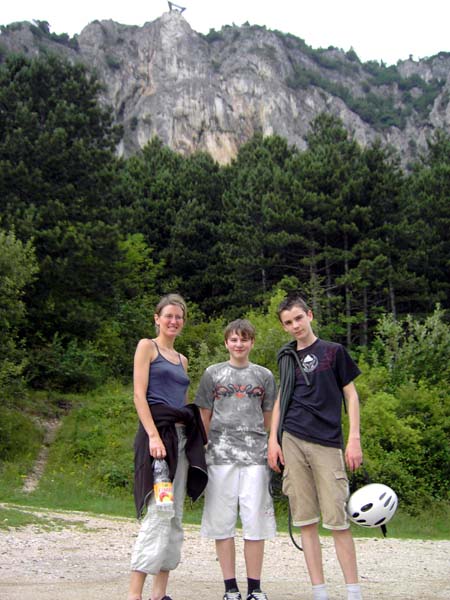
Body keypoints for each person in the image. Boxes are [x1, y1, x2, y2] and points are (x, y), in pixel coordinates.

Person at [267, 296, 363, 600]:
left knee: (337, 520)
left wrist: (354, 438)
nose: (295, 325)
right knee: (306, 521)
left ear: (309, 315)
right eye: (288, 322)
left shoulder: (334, 352)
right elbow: (281, 400)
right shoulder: (286, 357)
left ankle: (353, 592)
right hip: (292, 439)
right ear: (284, 326)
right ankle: (319, 592)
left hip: (327, 442)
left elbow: (351, 396)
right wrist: (273, 440)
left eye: (298, 318)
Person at [128, 293, 208, 600]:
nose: (173, 321)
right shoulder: (147, 347)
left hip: (181, 442)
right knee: (159, 509)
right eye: (169, 316)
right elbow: (139, 394)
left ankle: (159, 594)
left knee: (174, 515)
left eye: (179, 317)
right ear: (157, 318)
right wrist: (152, 436)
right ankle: (135, 593)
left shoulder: (182, 360)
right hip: (158, 442)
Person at [195, 319, 277, 600]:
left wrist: (269, 446)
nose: (239, 344)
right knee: (222, 522)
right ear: (226, 343)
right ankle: (230, 588)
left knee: (255, 522)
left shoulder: (264, 375)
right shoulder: (212, 374)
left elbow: (269, 418)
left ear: (252, 342)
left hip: (255, 456)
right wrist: (200, 451)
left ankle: (255, 587)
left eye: (244, 339)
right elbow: (203, 415)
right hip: (219, 456)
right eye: (233, 340)